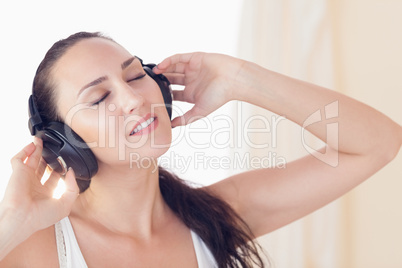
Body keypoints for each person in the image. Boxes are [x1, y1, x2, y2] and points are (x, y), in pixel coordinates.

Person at [0, 32, 401, 268]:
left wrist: (240, 78)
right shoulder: (36, 249)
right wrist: (12, 223)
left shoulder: (216, 216)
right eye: (100, 97)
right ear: (62, 141)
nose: (134, 98)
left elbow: (377, 144)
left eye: (136, 74)